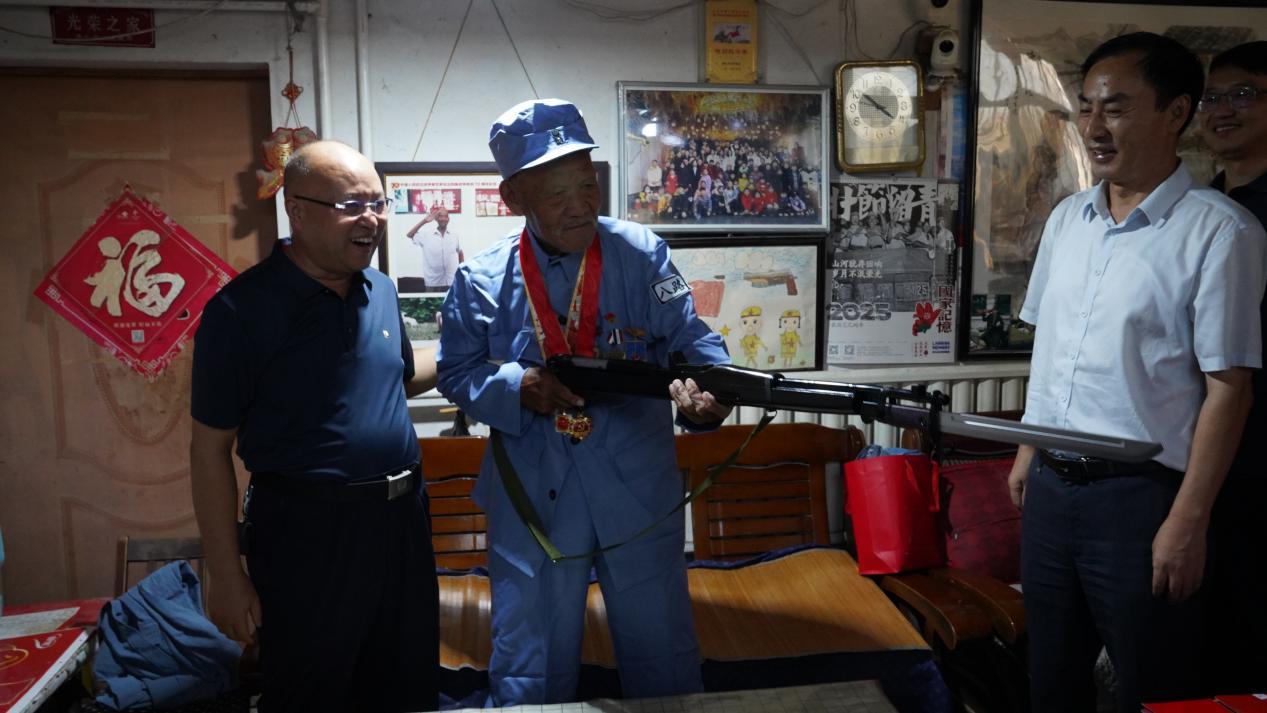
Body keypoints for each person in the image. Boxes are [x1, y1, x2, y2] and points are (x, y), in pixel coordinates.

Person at [436, 99, 731, 706]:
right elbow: (456, 371)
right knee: (530, 653)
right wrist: (515, 386)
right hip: (533, 491)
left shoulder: (642, 254)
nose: (580, 205)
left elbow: (692, 338)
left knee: (661, 645)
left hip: (635, 481)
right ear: (513, 198)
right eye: (556, 193)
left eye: (587, 184)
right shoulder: (480, 280)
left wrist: (710, 388)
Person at [1005, 33, 1264, 713]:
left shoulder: (1221, 232)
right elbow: (1049, 348)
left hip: (1141, 499)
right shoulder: (1069, 219)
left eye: (1116, 108)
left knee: (1153, 687)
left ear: (1175, 113)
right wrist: (1029, 449)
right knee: (1049, 681)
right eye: (1086, 107)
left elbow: (1230, 389)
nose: (1094, 127)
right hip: (1052, 489)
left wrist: (1188, 520)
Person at [190, 141, 441, 713]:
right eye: (352, 205)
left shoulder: (380, 290)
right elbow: (208, 451)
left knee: (407, 684)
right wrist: (225, 574)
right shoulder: (239, 312)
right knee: (312, 691)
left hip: (402, 522)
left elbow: (397, 376)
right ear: (297, 211)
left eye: (378, 203)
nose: (372, 219)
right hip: (308, 533)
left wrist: (478, 351)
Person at [1197, 40, 1267, 694]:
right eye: (1212, 96)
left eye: (1243, 93)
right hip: (1200, 442)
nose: (1222, 109)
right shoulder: (1202, 205)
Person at [406, 204, 462, 290]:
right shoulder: (426, 235)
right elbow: (409, 235)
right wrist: (425, 221)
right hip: (433, 283)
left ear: (448, 219)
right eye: (440, 216)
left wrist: (461, 272)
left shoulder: (454, 236)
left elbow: (460, 252)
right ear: (436, 219)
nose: (443, 219)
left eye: (445, 216)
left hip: (451, 282)